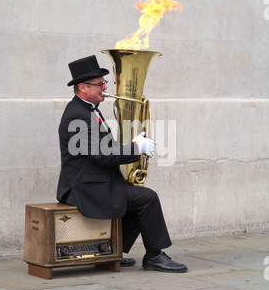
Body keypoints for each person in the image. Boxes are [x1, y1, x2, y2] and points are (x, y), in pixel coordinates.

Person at [57, 55, 187, 273]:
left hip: (97, 182)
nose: (105, 87)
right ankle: (154, 255)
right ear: (83, 87)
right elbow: (103, 156)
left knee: (137, 197)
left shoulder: (87, 109)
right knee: (147, 199)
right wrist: (137, 148)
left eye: (104, 83)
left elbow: (100, 150)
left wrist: (132, 143)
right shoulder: (77, 116)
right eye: (100, 84)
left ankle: (110, 250)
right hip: (84, 187)